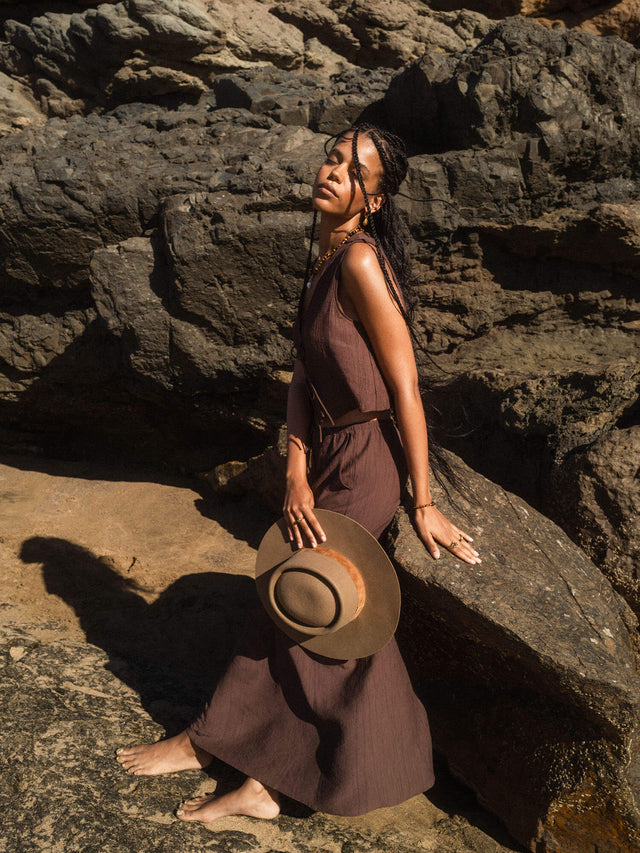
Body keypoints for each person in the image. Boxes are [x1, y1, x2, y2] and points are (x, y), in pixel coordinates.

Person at [116, 123, 481, 823]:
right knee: (292, 605)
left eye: (352, 170)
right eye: (333, 158)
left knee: (316, 604)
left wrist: (423, 500)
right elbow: (302, 378)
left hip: (367, 460)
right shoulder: (324, 256)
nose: (332, 171)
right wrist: (294, 471)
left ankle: (235, 757)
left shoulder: (362, 262)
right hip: (329, 452)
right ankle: (249, 769)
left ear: (373, 199)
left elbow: (406, 386)